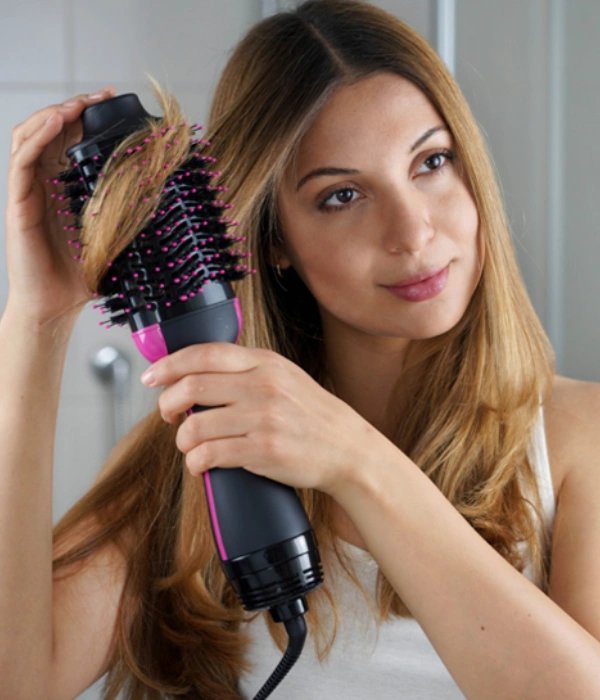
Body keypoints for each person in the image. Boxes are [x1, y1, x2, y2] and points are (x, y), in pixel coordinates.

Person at [2, 0, 599, 698]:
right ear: (274, 239)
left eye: (431, 161)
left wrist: (356, 460)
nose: (414, 232)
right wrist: (35, 322)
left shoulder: (574, 439)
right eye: (342, 195)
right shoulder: (196, 465)